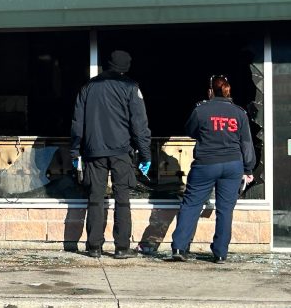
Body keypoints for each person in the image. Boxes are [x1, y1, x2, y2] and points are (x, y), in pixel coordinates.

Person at [70, 50, 151, 259]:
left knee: (95, 197)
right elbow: (139, 124)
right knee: (122, 198)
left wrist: (74, 151)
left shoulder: (88, 86)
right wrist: (145, 155)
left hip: (93, 151)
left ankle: (94, 246)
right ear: (126, 66)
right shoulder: (131, 87)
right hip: (121, 151)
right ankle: (122, 247)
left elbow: (77, 123)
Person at [168, 75, 256, 263]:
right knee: (225, 209)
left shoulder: (201, 110)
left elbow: (190, 131)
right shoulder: (239, 113)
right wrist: (248, 168)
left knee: (191, 204)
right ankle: (220, 253)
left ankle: (179, 247)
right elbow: (246, 143)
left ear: (210, 91)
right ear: (228, 90)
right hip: (233, 165)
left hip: (205, 164)